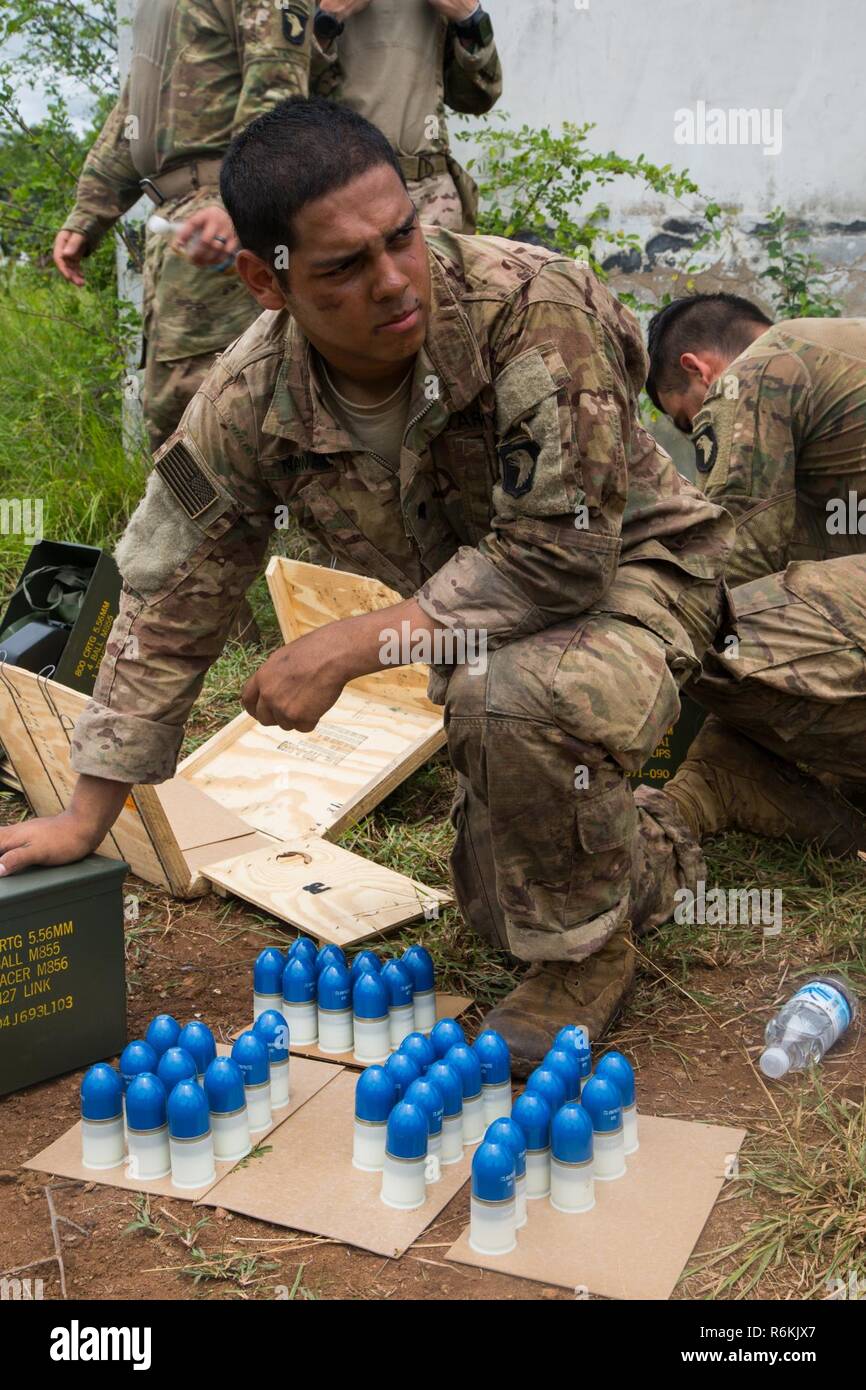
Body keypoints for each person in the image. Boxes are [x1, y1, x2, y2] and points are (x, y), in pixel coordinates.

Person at [1, 99, 733, 1074]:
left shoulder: (531, 309)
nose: (395, 282)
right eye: (345, 267)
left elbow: (562, 557)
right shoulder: (242, 398)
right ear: (268, 280)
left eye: (402, 239)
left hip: (632, 573)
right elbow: (168, 579)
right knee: (496, 886)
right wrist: (89, 808)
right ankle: (664, 830)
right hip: (475, 619)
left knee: (514, 701)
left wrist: (349, 645)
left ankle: (582, 964)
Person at [629, 295, 866, 935]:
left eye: (688, 420)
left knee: (675, 626)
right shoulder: (834, 356)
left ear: (699, 370)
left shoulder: (758, 369)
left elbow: (728, 558)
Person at [53, 0, 312, 452]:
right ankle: (189, 524)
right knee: (178, 420)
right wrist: (89, 211)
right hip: (177, 224)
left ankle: (265, 523)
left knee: (230, 415)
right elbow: (135, 110)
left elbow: (277, 86)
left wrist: (240, 200)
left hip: (222, 219)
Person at [310, 0, 500, 231]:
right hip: (343, 187)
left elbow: (478, 97)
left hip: (431, 193)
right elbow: (278, 90)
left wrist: (470, 20)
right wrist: (327, 20)